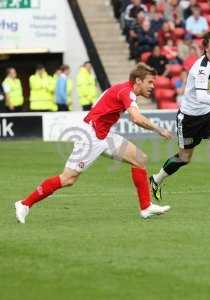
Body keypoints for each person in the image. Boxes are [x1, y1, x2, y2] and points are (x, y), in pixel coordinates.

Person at [15, 64, 173, 224]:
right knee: (68, 179)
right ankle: (24, 204)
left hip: (104, 134)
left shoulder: (123, 89)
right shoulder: (126, 92)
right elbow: (136, 118)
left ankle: (145, 207)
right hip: (91, 136)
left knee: (140, 159)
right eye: (150, 82)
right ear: (138, 81)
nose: (153, 86)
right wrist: (159, 129)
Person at [149, 32, 210, 208]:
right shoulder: (201, 68)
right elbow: (201, 96)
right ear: (206, 48)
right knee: (184, 158)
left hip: (207, 115)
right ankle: (156, 179)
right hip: (189, 119)